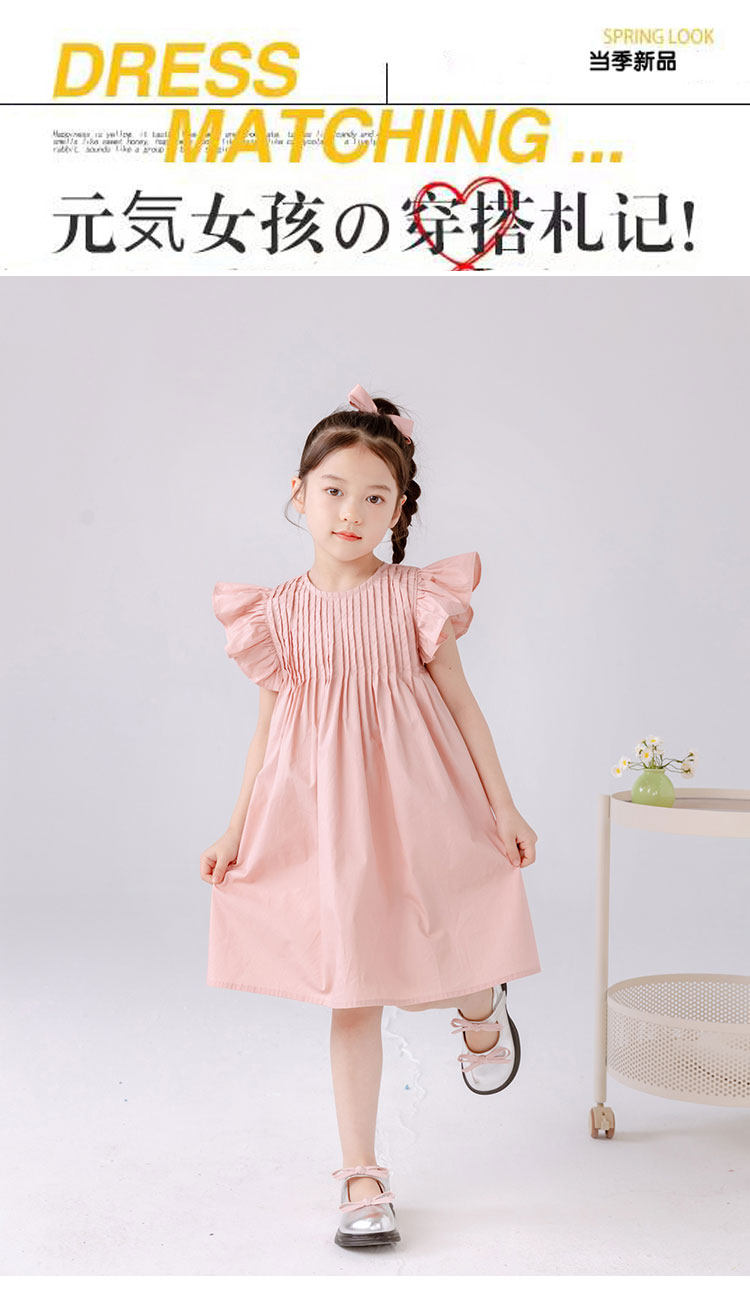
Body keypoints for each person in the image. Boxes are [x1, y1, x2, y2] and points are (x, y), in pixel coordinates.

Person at [200, 384, 541, 1249]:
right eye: (334, 491)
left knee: (436, 952)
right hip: (322, 815)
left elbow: (462, 706)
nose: (351, 513)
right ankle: (362, 1173)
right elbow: (269, 728)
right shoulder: (276, 615)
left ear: (399, 509)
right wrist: (236, 827)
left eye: (375, 497)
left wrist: (503, 805)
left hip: (418, 801)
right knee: (350, 989)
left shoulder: (414, 598)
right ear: (299, 493)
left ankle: (479, 1003)